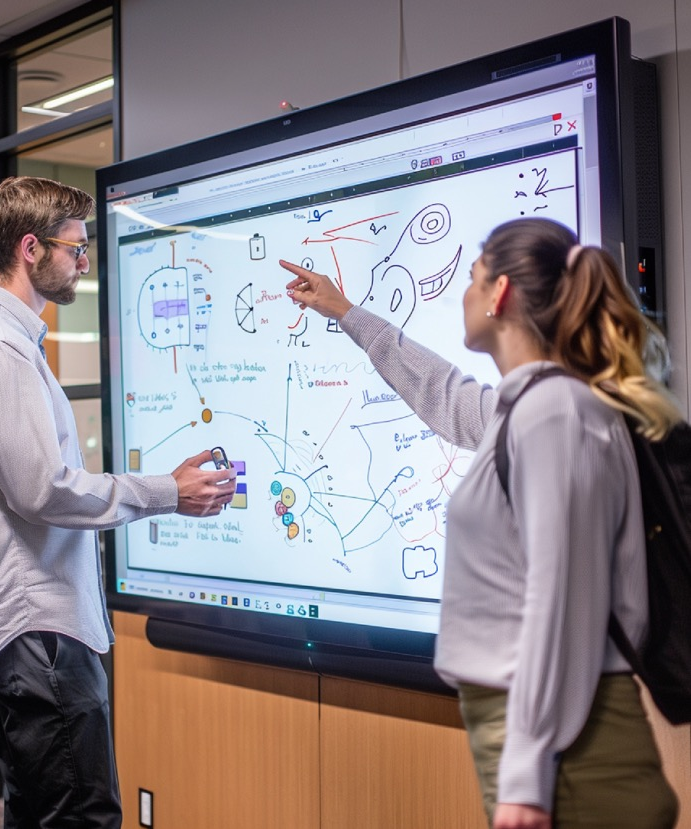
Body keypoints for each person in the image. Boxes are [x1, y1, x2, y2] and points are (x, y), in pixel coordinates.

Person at [281, 217, 680, 829]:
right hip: (544, 736)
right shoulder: (527, 407)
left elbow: (559, 600)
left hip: (567, 748)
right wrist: (347, 313)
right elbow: (444, 393)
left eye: (472, 278)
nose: (466, 292)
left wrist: (525, 772)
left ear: (499, 295)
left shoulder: (555, 411)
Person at [0, 176, 237, 828]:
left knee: (46, 811)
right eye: (76, 247)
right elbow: (42, 489)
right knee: (79, 815)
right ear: (31, 248)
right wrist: (165, 492)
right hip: (36, 629)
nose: (84, 261)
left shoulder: (6, 341)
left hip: (36, 626)